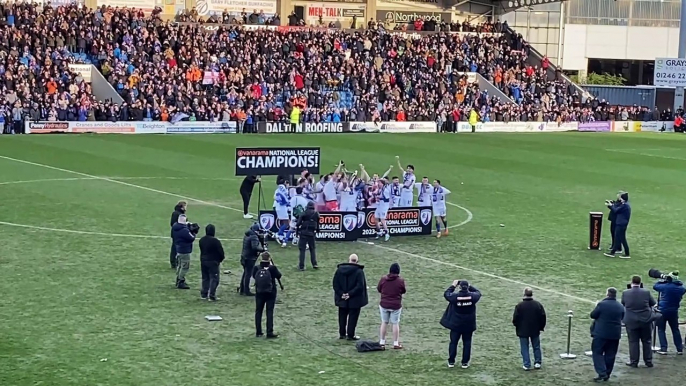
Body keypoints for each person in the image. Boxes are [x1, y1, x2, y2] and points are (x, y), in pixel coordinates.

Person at [440, 280, 481, 369]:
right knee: (467, 343)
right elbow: (478, 292)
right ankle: (465, 362)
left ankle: (451, 361)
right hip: (468, 324)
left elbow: (447, 294)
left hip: (456, 324)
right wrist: (470, 286)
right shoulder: (473, 297)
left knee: (453, 342)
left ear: (459, 287)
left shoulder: (455, 297)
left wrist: (453, 286)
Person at [590, 287, 625, 382]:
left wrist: (596, 305)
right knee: (610, 354)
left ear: (607, 294)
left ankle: (602, 372)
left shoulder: (602, 304)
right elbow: (622, 317)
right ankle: (607, 373)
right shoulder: (620, 306)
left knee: (597, 353)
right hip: (615, 334)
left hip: (601, 334)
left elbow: (593, 315)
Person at [622, 275, 657, 368]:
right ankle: (648, 361)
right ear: (640, 282)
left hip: (631, 321)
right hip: (645, 320)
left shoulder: (626, 293)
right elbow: (653, 304)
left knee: (633, 342)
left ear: (631, 282)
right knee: (647, 341)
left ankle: (634, 362)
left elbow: (623, 304)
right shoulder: (646, 292)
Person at [332, 254, 369, 340]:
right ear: (357, 261)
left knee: (342, 316)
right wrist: (350, 294)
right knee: (353, 317)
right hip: (355, 299)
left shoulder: (339, 270)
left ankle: (342, 334)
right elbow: (360, 286)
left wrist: (342, 294)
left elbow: (335, 284)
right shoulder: (359, 271)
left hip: (342, 298)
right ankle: (350, 335)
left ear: (349, 260)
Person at [512, 288, 546, 370]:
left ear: (524, 294)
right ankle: (537, 362)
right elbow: (543, 317)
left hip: (523, 330)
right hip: (535, 329)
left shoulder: (519, 306)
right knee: (536, 346)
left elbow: (515, 318)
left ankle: (526, 364)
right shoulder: (537, 305)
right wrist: (541, 327)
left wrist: (517, 326)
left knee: (524, 347)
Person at [653, 273, 685, 355]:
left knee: (661, 329)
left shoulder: (665, 286)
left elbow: (655, 286)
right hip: (674, 311)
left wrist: (662, 281)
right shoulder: (681, 288)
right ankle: (679, 349)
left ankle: (664, 348)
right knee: (675, 329)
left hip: (662, 311)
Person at [252, 252, 282, 338]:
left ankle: (258, 331)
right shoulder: (272, 268)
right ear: (269, 258)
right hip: (271, 292)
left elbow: (254, 276)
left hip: (259, 292)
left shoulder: (256, 268)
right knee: (269, 312)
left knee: (258, 311)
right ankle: (269, 331)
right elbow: (279, 276)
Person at [377, 263, 406, 349]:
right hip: (395, 305)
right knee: (395, 323)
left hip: (384, 304)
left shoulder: (383, 279)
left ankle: (382, 341)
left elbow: (379, 289)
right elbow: (403, 290)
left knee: (384, 322)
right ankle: (395, 343)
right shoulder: (400, 281)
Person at [199, 224, 225, 301]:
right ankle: (212, 295)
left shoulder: (202, 240)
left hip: (203, 261)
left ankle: (204, 294)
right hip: (213, 262)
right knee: (214, 279)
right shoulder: (215, 241)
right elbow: (221, 252)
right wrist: (219, 260)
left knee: (205, 278)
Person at [239, 223, 265, 296]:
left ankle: (242, 289)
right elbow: (255, 247)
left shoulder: (247, 235)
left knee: (245, 273)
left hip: (244, 257)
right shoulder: (254, 237)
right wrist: (262, 249)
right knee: (248, 274)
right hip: (250, 258)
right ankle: (246, 291)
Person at [604, 192, 631, 258]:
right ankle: (624, 253)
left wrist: (610, 205)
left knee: (618, 238)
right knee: (621, 238)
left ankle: (613, 253)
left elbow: (616, 210)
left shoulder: (625, 205)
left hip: (621, 224)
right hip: (622, 223)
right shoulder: (625, 205)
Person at [172, 214, 196, 289]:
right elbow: (191, 238)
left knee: (180, 265)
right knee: (185, 267)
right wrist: (194, 232)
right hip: (185, 250)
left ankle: (178, 279)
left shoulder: (175, 227)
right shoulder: (184, 230)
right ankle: (181, 281)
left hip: (178, 249)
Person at [295, 201, 319, 271]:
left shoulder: (304, 213)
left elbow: (298, 223)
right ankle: (314, 264)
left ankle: (301, 266)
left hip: (304, 233)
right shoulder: (316, 213)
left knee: (302, 250)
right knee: (312, 249)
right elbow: (317, 224)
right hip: (312, 233)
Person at [169, 201, 187, 268]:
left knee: (178, 248)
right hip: (177, 234)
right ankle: (173, 262)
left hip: (179, 233)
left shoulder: (180, 213)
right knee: (175, 248)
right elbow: (172, 224)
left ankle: (177, 261)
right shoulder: (177, 214)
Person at [273, 179, 291, 247]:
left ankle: (280, 236)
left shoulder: (277, 189)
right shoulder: (284, 190)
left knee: (283, 222)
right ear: (284, 183)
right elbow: (285, 200)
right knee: (287, 223)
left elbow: (274, 197)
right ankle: (278, 234)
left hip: (278, 208)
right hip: (282, 208)